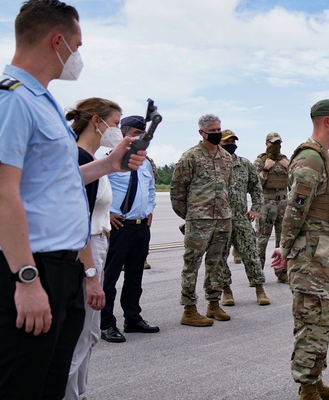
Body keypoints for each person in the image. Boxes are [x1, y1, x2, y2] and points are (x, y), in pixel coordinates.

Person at [0, 0, 143, 400]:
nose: (79, 55)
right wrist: (26, 279)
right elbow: (4, 193)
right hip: (32, 269)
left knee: (45, 398)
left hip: (61, 270)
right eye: (77, 44)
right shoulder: (12, 100)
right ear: (57, 40)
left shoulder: (43, 102)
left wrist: (110, 165)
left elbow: (58, 182)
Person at [270, 99, 329, 400]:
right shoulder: (309, 158)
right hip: (310, 254)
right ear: (326, 121)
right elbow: (296, 208)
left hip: (323, 250)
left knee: (322, 319)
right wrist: (283, 246)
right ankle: (307, 399)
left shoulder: (324, 157)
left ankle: (316, 383)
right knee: (312, 322)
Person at [55, 98, 123, 400]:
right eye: (115, 121)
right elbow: (77, 220)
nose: (118, 128)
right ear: (97, 121)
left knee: (90, 335)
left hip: (97, 242)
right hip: (85, 250)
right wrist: (91, 273)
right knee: (78, 338)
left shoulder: (94, 161)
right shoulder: (80, 159)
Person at [170, 114, 234, 326]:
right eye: (212, 131)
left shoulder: (226, 157)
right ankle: (189, 309)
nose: (216, 134)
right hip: (199, 220)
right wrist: (190, 215)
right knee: (192, 264)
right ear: (201, 132)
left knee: (216, 263)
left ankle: (213, 304)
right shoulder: (191, 157)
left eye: (219, 130)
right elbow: (177, 190)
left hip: (223, 218)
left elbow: (228, 187)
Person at [100, 115, 160, 343]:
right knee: (110, 278)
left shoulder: (145, 162)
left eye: (143, 134)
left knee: (135, 277)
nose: (140, 137)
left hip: (140, 226)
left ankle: (133, 318)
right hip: (118, 227)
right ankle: (106, 323)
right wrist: (107, 214)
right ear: (123, 134)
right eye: (135, 133)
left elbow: (151, 189)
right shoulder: (110, 160)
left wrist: (150, 208)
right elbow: (95, 190)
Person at [219, 129, 270, 306]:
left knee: (251, 254)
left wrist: (255, 209)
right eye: (227, 142)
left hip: (240, 218)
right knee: (219, 258)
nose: (231, 144)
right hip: (219, 220)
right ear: (220, 143)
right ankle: (226, 291)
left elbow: (256, 188)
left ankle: (259, 289)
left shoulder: (244, 164)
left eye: (233, 141)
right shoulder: (213, 164)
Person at [255, 132, 290, 283]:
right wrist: (265, 170)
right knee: (261, 240)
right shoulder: (260, 161)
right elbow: (255, 185)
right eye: (273, 143)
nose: (276, 146)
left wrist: (289, 168)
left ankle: (282, 273)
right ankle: (257, 273)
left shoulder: (285, 160)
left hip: (283, 204)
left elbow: (295, 183)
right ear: (267, 144)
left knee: (283, 241)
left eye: (278, 143)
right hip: (267, 205)